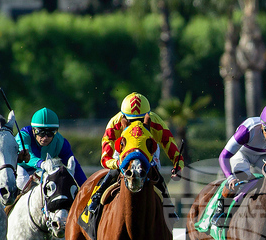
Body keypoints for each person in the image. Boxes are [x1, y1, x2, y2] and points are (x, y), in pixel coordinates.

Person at [80, 93, 184, 222]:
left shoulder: (156, 121)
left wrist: (178, 165)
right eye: (131, 122)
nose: (136, 126)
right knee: (112, 172)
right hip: (123, 152)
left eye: (140, 121)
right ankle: (96, 198)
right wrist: (117, 163)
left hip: (147, 152)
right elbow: (105, 158)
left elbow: (170, 144)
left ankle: (168, 207)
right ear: (123, 117)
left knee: (155, 173)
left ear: (147, 116)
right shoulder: (114, 123)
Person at [212, 102, 266, 227]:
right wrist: (230, 177)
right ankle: (220, 208)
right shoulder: (248, 129)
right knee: (242, 177)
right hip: (243, 154)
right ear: (262, 126)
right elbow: (224, 156)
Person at [15, 108, 86, 189]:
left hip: (40, 170)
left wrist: (87, 188)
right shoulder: (23, 136)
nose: (45, 137)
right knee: (23, 182)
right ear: (33, 130)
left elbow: (76, 169)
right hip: (18, 167)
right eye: (41, 132)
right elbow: (27, 156)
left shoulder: (60, 142)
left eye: (50, 133)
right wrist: (42, 163)